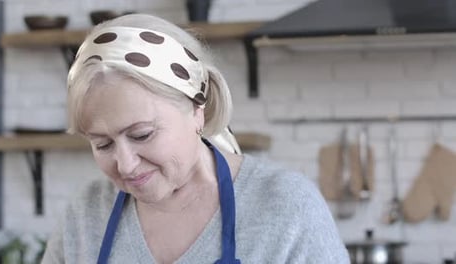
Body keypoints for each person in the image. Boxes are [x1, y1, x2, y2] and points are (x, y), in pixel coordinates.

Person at [41, 13, 349, 264]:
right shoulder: (84, 215)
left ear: (197, 110)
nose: (125, 165)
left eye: (142, 134)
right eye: (102, 143)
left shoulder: (285, 207)